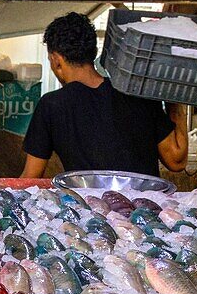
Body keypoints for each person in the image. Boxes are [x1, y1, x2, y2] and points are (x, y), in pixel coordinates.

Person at [20, 12, 187, 179]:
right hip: (145, 203)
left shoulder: (52, 105)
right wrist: (174, 99)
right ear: (93, 52)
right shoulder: (138, 94)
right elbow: (176, 161)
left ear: (56, 60)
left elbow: (31, 176)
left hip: (89, 204)